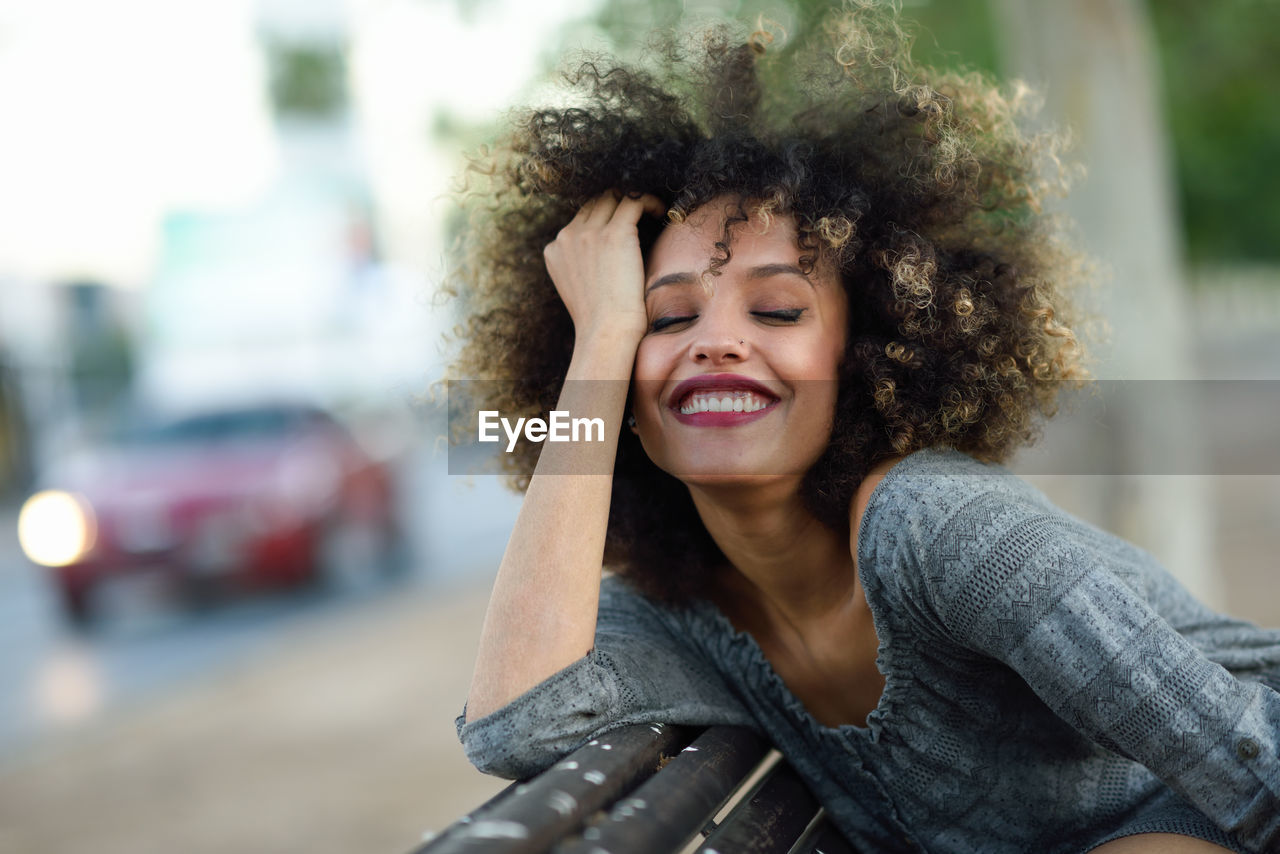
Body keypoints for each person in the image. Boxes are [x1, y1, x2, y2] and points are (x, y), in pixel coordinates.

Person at [447, 3, 1280, 851]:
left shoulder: (942, 531)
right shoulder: (678, 612)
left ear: (864, 355)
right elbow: (516, 727)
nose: (719, 342)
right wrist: (597, 348)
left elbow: (1256, 766)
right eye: (663, 322)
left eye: (776, 309)